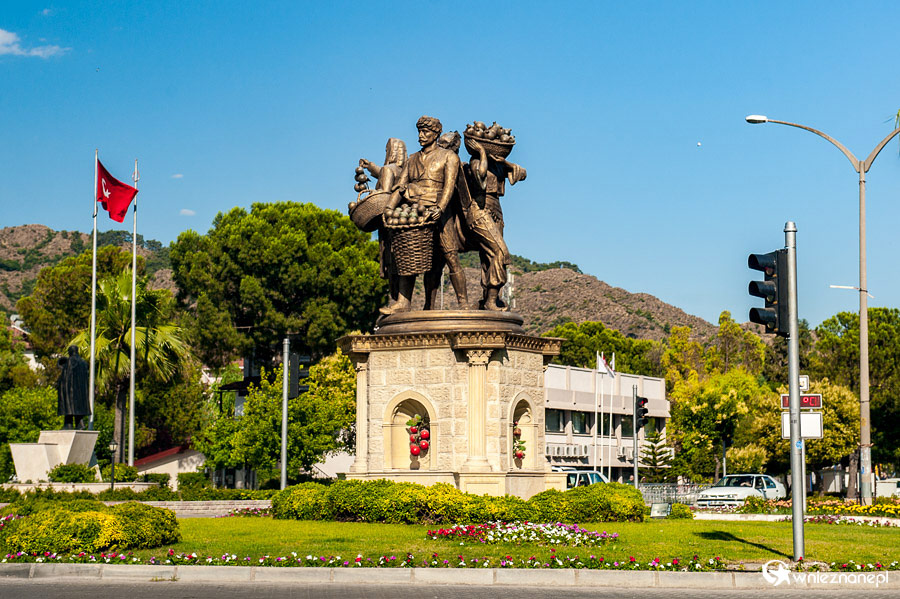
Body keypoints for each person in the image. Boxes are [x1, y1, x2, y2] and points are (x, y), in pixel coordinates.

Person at [379, 116, 464, 315]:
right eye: (419, 132)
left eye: (425, 132)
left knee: (451, 256)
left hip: (440, 213)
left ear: (435, 134)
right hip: (414, 212)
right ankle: (403, 302)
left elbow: (450, 186)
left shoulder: (449, 157)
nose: (420, 136)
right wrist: (388, 209)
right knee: (407, 253)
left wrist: (440, 209)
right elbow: (400, 188)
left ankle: (464, 303)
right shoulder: (412, 159)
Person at [464, 139, 526, 310]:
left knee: (488, 257)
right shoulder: (476, 161)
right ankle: (491, 300)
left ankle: (488, 299)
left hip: (496, 212)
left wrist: (503, 162)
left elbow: (521, 174)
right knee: (500, 252)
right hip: (479, 211)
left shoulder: (498, 166)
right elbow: (480, 176)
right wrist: (483, 154)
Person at [360, 139, 408, 305]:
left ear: (390, 152)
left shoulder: (388, 170)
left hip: (389, 223)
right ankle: (401, 300)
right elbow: (384, 172)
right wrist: (371, 166)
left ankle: (394, 301)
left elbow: (384, 195)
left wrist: (372, 195)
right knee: (403, 263)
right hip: (403, 221)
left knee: (391, 263)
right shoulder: (405, 170)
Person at [56, 345, 91, 430]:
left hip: (71, 390)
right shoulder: (83, 363)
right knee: (77, 408)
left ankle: (69, 424)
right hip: (81, 392)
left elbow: (65, 377)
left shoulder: (70, 361)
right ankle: (79, 424)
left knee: (69, 408)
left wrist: (60, 386)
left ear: (70, 352)